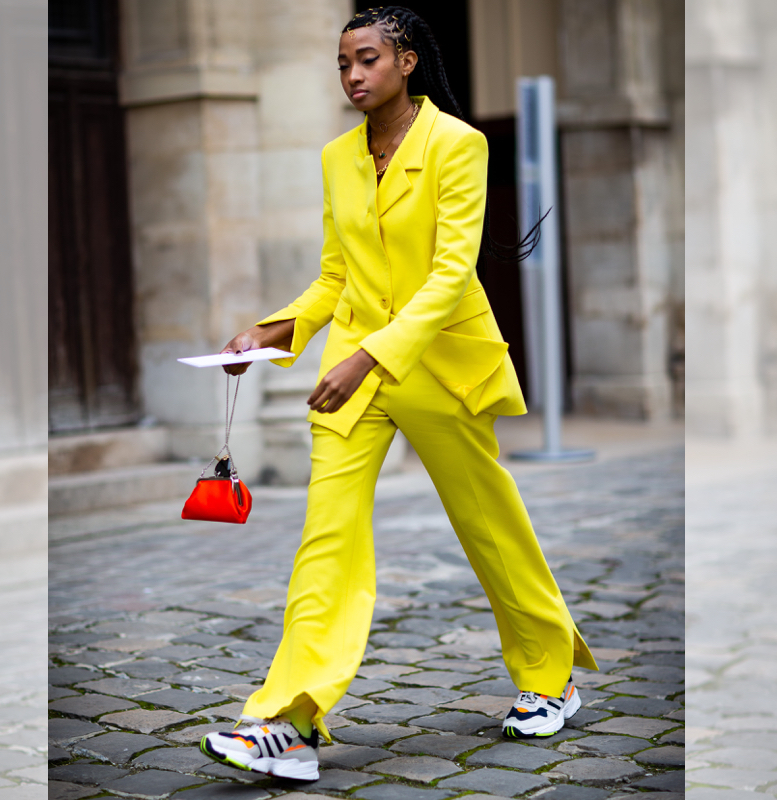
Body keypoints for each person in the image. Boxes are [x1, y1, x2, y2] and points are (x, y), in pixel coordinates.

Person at [200, 6, 597, 782]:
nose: (353, 75)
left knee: (488, 524)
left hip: (438, 365)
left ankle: (550, 676)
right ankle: (288, 720)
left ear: (407, 62)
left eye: (368, 59)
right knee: (328, 536)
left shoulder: (459, 143)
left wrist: (370, 358)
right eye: (343, 63)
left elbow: (453, 276)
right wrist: (272, 332)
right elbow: (335, 276)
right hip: (353, 369)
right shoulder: (337, 157)